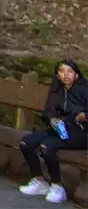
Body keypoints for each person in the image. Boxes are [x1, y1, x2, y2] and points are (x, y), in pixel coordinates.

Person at [18, 59, 88, 204]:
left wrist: (83, 116)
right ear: (57, 75)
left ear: (76, 75)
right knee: (26, 142)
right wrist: (52, 120)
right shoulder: (57, 89)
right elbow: (47, 111)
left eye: (70, 71)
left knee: (47, 147)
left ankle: (58, 187)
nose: (66, 75)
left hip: (80, 134)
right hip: (59, 130)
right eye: (62, 71)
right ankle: (39, 181)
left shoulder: (84, 89)